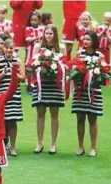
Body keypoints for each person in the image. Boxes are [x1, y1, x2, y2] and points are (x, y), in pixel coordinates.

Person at [32, 24, 65, 154]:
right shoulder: (37, 47)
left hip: (55, 86)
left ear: (55, 35)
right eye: (46, 33)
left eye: (51, 34)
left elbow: (64, 65)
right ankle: (39, 143)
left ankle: (53, 144)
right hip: (41, 85)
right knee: (40, 113)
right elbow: (32, 64)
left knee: (54, 114)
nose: (48, 36)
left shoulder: (61, 48)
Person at [72, 31, 106, 157]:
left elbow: (103, 74)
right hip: (80, 91)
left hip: (93, 91)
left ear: (94, 41)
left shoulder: (99, 55)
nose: (85, 41)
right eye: (84, 39)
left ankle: (93, 147)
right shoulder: (79, 54)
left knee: (92, 119)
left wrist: (96, 72)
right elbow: (73, 69)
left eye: (88, 39)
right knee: (80, 119)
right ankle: (80, 146)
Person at [0, 39, 25, 156]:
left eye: (11, 48)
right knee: (2, 122)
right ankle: (3, 145)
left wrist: (14, 73)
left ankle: (12, 147)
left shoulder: (18, 61)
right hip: (2, 95)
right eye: (7, 48)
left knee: (12, 121)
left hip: (14, 95)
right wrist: (4, 73)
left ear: (14, 49)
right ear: (3, 49)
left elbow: (23, 78)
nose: (9, 50)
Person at [25, 11, 44, 94]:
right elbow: (27, 39)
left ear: (39, 21)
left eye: (35, 20)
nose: (32, 22)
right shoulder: (28, 29)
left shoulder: (42, 28)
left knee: (38, 66)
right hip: (30, 50)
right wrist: (37, 38)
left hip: (40, 51)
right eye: (31, 20)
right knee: (29, 67)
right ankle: (29, 86)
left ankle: (37, 84)